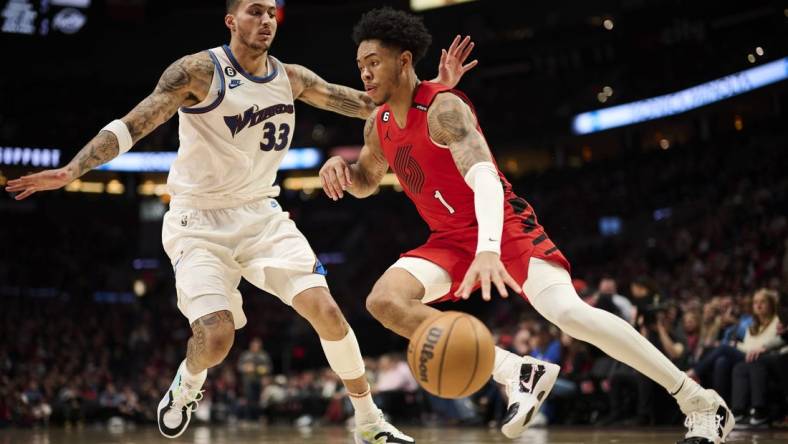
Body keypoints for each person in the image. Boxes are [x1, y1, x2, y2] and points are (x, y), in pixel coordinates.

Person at [5, 1, 476, 442]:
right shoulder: (198, 71)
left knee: (329, 312)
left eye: (272, 12)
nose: (267, 20)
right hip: (197, 221)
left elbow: (372, 103)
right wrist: (73, 170)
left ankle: (369, 420)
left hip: (262, 215)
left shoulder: (291, 78)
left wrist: (433, 87)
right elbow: (134, 123)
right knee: (215, 337)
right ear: (231, 21)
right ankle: (189, 382)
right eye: (256, 11)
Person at [319, 7, 734, 442]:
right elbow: (366, 181)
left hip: (502, 222)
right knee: (384, 301)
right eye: (360, 66)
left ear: (404, 60)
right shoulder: (378, 123)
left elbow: (485, 177)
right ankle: (518, 370)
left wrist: (489, 248)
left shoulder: (444, 108)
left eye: (374, 63)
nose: (365, 74)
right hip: (450, 238)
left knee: (570, 314)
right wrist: (340, 170)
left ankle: (700, 401)